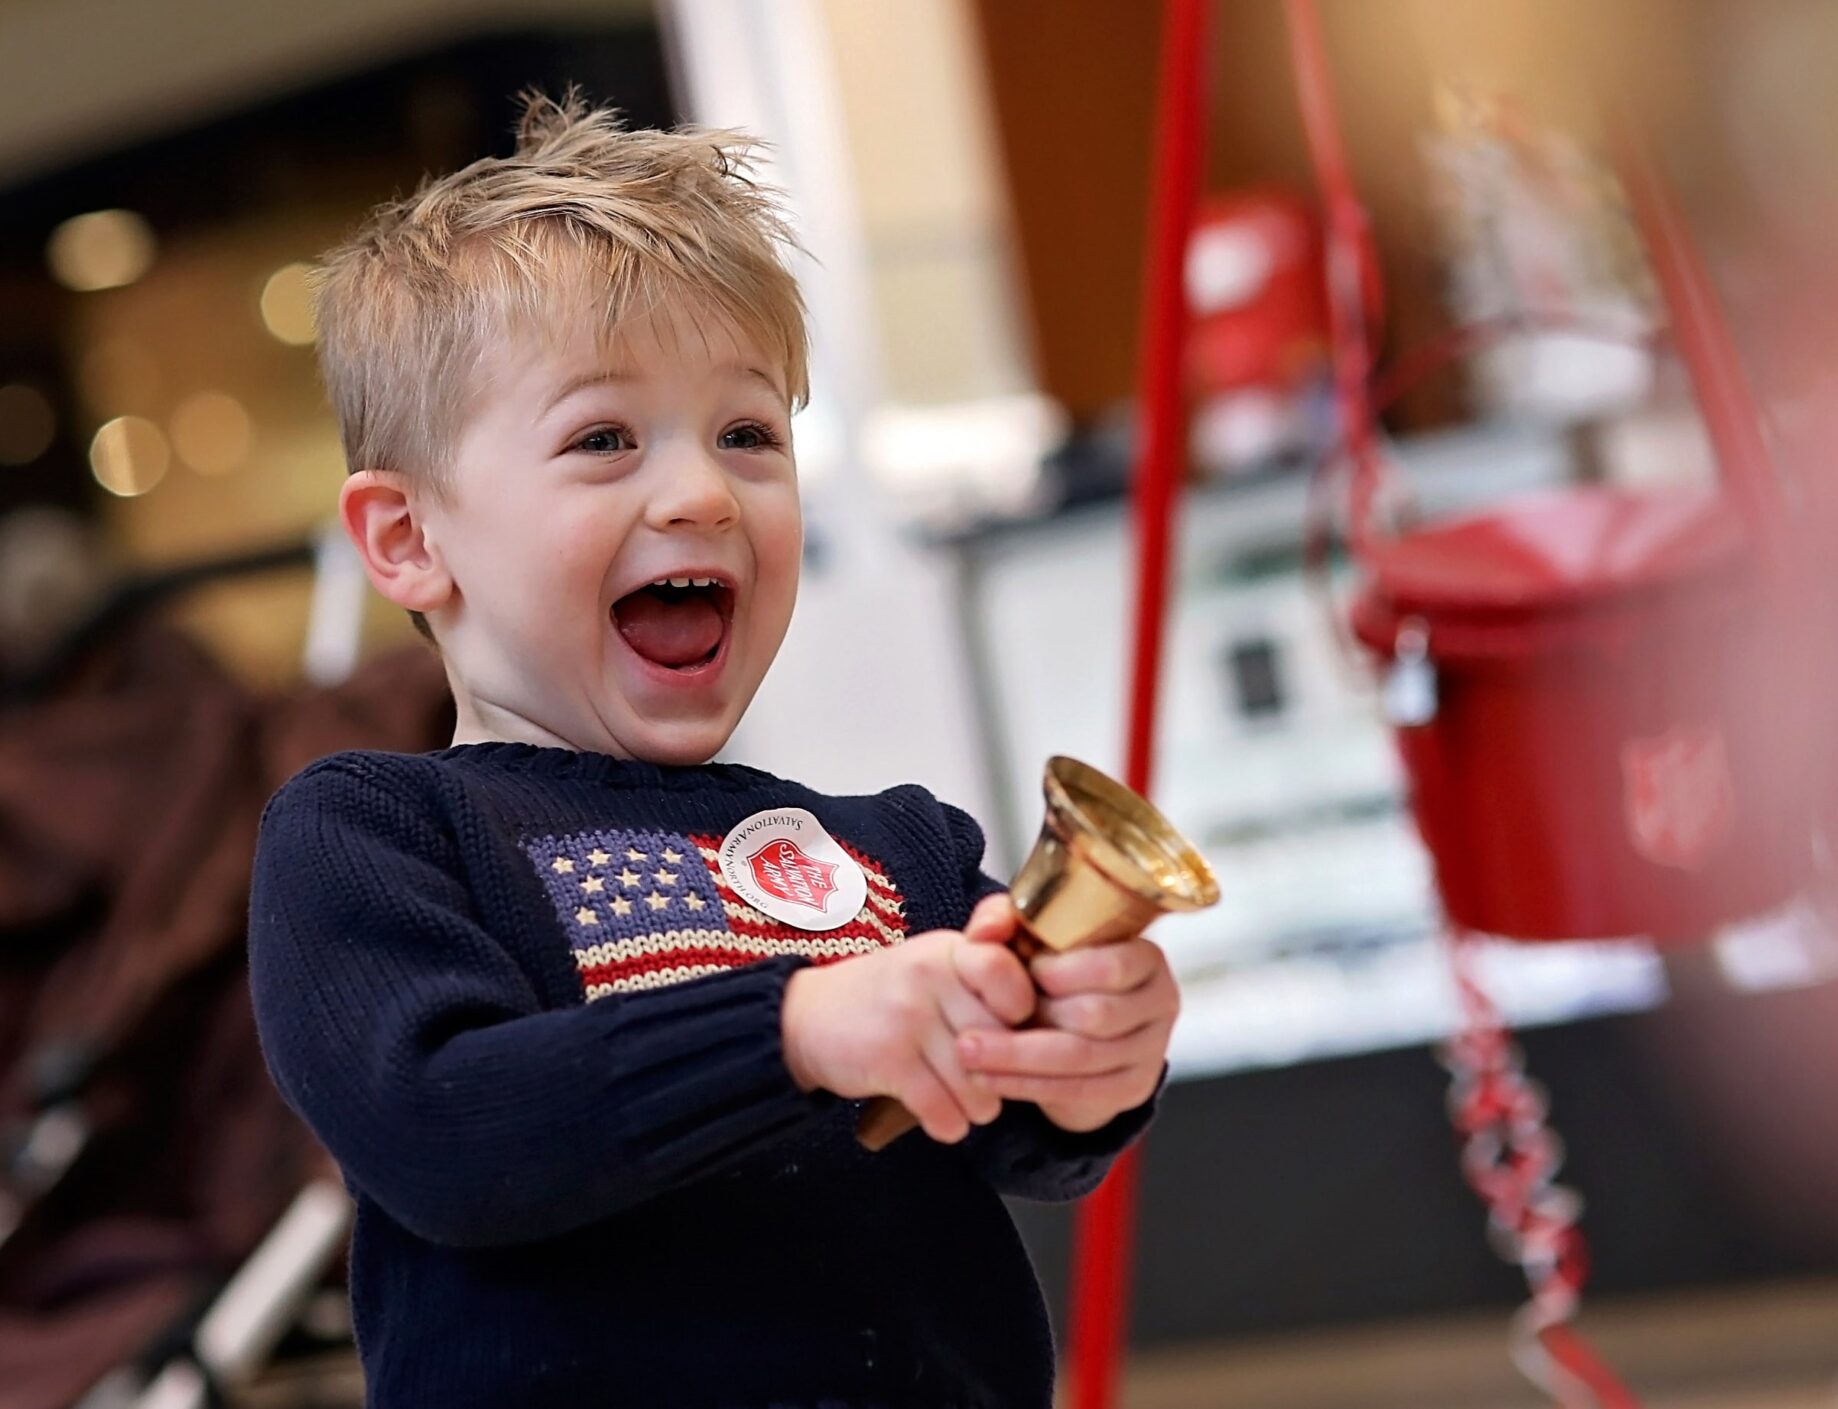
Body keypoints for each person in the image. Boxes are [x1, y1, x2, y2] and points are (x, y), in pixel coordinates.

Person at [246, 93, 1178, 1409]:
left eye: (748, 433)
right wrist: (793, 1029)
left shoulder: (900, 849)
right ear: (406, 538)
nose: (700, 492)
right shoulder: (375, 833)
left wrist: (1100, 1055)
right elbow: (446, 1131)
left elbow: (1029, 1133)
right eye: (603, 440)